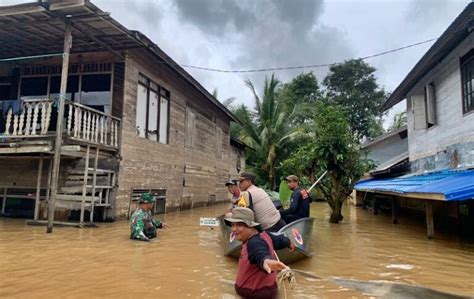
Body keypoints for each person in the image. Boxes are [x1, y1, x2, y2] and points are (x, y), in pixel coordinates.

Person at [224, 207, 294, 299]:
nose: (233, 229)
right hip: (270, 289)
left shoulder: (253, 243)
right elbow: (279, 240)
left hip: (254, 293)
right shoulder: (265, 235)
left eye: (239, 225)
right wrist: (288, 242)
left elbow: (260, 253)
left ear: (251, 226)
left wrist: (266, 261)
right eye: (232, 225)